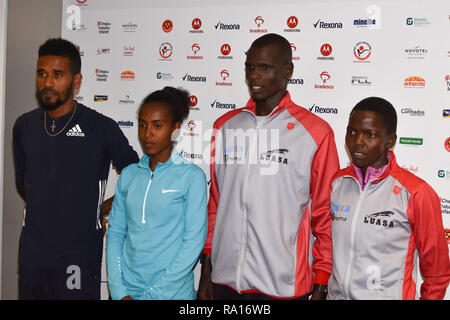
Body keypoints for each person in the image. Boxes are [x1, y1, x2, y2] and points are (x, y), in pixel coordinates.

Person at [197, 33, 340, 300]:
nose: (254, 76)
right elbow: (216, 205)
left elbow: (326, 215)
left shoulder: (315, 133)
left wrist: (321, 284)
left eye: (264, 68)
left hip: (281, 287)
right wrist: (206, 273)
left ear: (288, 71)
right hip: (225, 283)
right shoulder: (225, 126)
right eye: (249, 67)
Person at [13, 38, 139, 300]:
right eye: (42, 74)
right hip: (33, 257)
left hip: (78, 256)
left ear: (76, 80)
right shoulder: (24, 126)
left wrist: (103, 208)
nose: (48, 83)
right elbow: (23, 183)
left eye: (57, 75)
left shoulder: (100, 127)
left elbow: (136, 176)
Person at [327, 97, 450, 300]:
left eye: (370, 135)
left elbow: (437, 273)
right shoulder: (338, 182)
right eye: (352, 132)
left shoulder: (416, 192)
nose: (357, 142)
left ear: (389, 141)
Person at [106, 86, 208, 300]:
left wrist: (152, 296)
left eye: (157, 126)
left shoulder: (191, 177)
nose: (147, 134)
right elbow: (115, 234)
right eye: (142, 125)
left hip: (172, 296)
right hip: (127, 294)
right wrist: (118, 291)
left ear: (175, 129)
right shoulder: (129, 175)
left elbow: (193, 244)